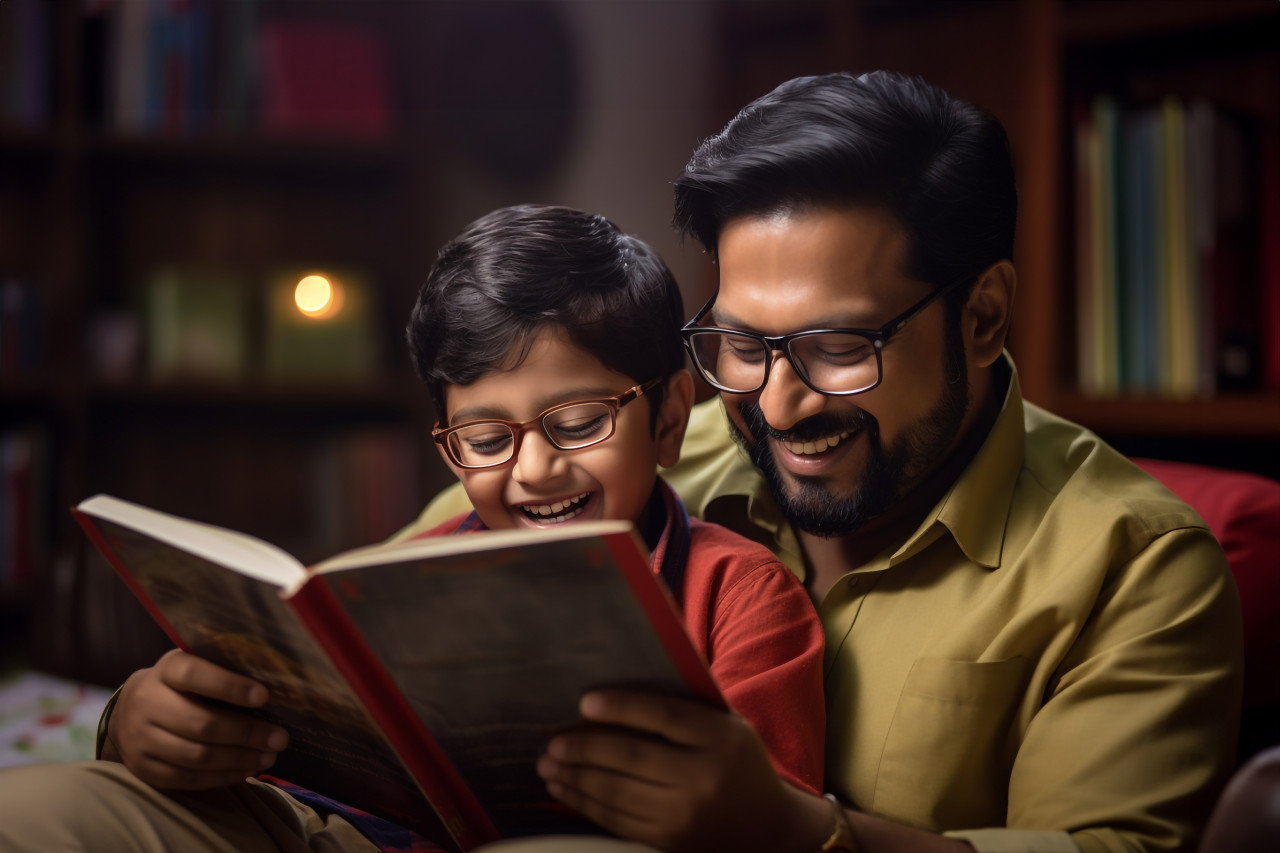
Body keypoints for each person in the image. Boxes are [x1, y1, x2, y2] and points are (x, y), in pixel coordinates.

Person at [409, 71, 1244, 853]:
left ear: (983, 317)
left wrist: (791, 829)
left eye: (839, 346)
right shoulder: (627, 457)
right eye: (743, 344)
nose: (779, 407)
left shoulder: (1137, 566)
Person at [0, 204, 827, 852]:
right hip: (329, 833)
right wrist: (137, 726)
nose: (535, 469)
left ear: (670, 417)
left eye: (579, 423)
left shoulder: (741, 594)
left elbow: (772, 823)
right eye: (487, 439)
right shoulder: (408, 575)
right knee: (32, 808)